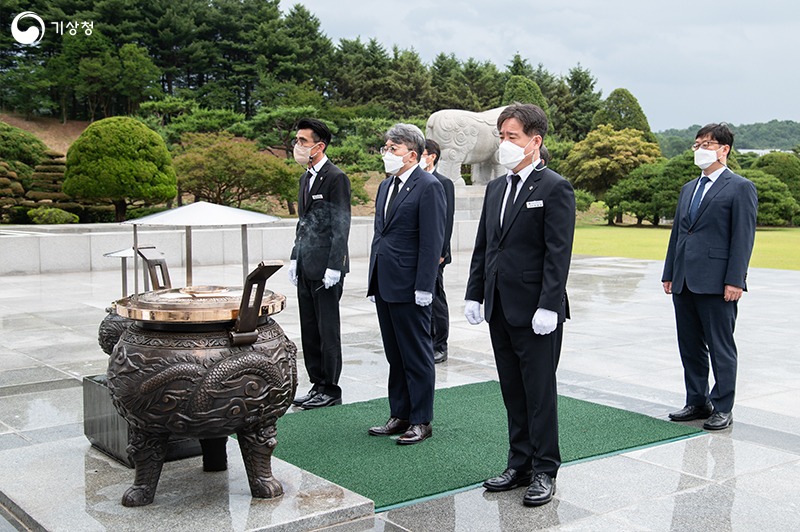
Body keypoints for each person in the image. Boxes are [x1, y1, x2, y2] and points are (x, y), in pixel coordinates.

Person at [464, 103, 575, 507]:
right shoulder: (497, 187)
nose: (504, 144)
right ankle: (519, 462)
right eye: (501, 136)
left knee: (539, 392)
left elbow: (557, 253)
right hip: (499, 306)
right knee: (512, 389)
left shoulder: (554, 187)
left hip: (536, 312)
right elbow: (485, 248)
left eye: (512, 137)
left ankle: (545, 469)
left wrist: (549, 304)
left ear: (535, 141)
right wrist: (475, 292)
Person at [662, 123, 757, 431]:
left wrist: (735, 280)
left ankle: (723, 406)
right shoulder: (689, 188)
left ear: (724, 149)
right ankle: (697, 400)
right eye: (698, 144)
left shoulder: (740, 187)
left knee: (720, 345)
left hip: (717, 282)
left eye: (707, 144)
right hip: (685, 279)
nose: (700, 149)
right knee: (689, 343)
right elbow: (678, 234)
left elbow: (742, 238)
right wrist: (669, 273)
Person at [367, 123, 446, 445]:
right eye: (385, 148)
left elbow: (432, 241)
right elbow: (380, 234)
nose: (386, 153)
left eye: (393, 149)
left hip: (411, 285)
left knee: (416, 354)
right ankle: (399, 413)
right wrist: (373, 279)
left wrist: (425, 286)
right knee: (395, 354)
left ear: (412, 154)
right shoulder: (386, 186)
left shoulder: (428, 186)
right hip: (386, 282)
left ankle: (421, 419)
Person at [288, 118, 351, 410]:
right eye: (297, 140)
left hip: (327, 266)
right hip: (306, 262)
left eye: (303, 141)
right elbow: (304, 224)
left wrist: (335, 265)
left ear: (319, 146)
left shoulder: (335, 177)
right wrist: (294, 257)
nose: (297, 146)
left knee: (328, 330)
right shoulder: (305, 178)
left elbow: (341, 224)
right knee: (310, 328)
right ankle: (316, 384)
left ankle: (331, 388)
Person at [420, 139, 455, 364]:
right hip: (418, 251)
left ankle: (440, 345)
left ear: (432, 156)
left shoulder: (444, 182)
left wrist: (441, 252)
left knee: (436, 298)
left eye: (421, 152)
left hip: (436, 253)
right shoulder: (417, 181)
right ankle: (426, 341)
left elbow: (447, 219)